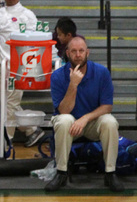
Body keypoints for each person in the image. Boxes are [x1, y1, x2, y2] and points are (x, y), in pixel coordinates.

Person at [44, 37, 124, 192]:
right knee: (64, 120)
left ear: (88, 52)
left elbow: (107, 107)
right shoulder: (58, 76)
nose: (78, 55)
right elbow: (64, 110)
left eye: (81, 51)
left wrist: (85, 119)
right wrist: (73, 84)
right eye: (74, 51)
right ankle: (61, 173)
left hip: (92, 122)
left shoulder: (101, 73)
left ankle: (110, 173)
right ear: (67, 53)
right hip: (70, 124)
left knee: (110, 122)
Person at [0, 0, 44, 147]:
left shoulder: (28, 15)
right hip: (3, 66)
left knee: (11, 103)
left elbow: (36, 40)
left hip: (20, 67)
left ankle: (6, 142)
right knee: (7, 102)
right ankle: (31, 129)